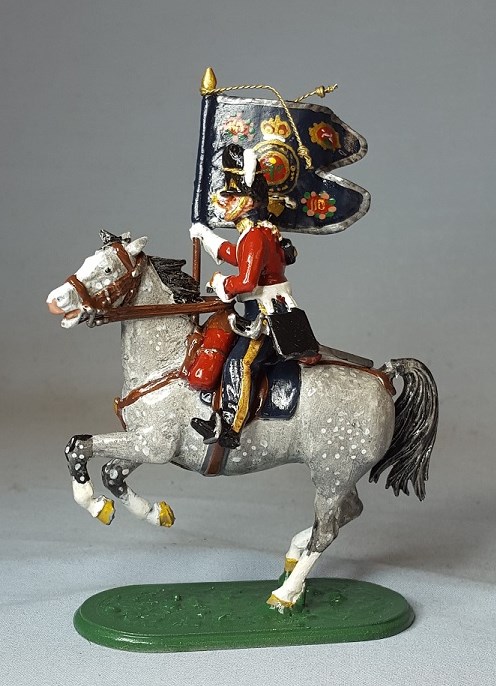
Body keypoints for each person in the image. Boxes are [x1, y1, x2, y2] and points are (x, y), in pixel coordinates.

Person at [190, 143, 318, 448]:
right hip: (263, 311)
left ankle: (229, 427)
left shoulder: (256, 236)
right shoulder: (257, 234)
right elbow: (238, 256)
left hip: (266, 316)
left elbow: (247, 282)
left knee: (240, 364)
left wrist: (221, 283)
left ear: (248, 202)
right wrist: (207, 237)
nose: (223, 202)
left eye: (231, 197)